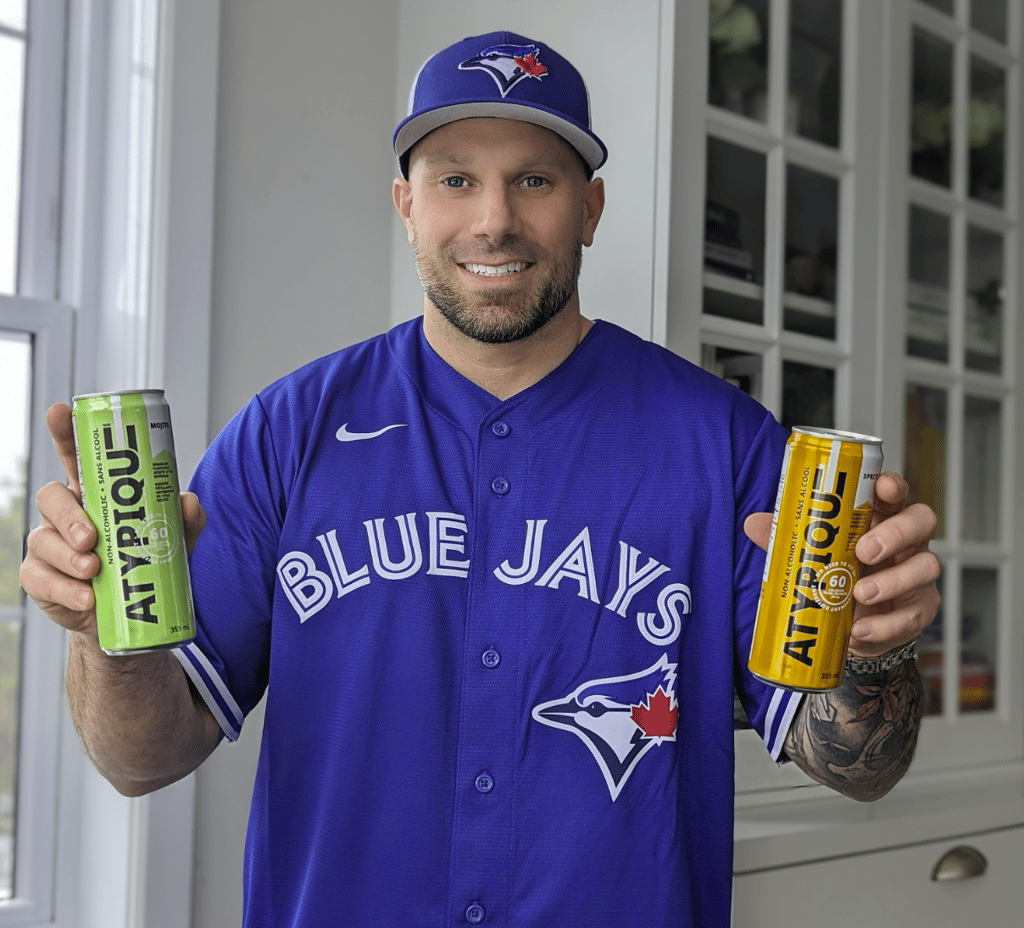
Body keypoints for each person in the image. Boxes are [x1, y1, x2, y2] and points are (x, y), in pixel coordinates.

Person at [21, 31, 940, 928]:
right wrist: (104, 638)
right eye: (455, 179)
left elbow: (860, 766)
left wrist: (874, 650)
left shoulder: (726, 443)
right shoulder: (286, 431)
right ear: (406, 205)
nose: (493, 218)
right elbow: (139, 760)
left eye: (534, 179)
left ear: (590, 207)